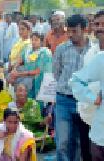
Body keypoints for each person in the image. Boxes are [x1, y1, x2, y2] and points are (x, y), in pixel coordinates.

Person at [53, 14, 92, 161]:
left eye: (74, 31)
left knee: (77, 142)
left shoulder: (93, 49)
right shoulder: (61, 49)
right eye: (68, 31)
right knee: (62, 141)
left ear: (84, 29)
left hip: (84, 102)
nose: (70, 35)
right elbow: (56, 73)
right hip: (63, 99)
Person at [70, 10, 104, 161]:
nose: (100, 28)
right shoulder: (92, 53)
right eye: (97, 24)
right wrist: (92, 98)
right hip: (89, 118)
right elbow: (77, 81)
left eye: (103, 24)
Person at [10, 32, 52, 98]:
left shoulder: (45, 52)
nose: (33, 42)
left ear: (41, 41)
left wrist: (19, 74)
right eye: (32, 40)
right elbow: (20, 58)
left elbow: (38, 71)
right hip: (27, 79)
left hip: (40, 81)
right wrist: (14, 70)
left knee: (38, 103)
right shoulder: (28, 49)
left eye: (36, 40)